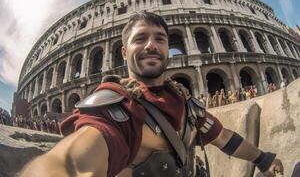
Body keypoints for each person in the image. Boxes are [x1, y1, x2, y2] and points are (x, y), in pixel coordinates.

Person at [20, 12, 283, 177]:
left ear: (169, 48)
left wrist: (262, 159)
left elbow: (224, 138)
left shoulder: (187, 103)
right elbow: (74, 158)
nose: (151, 46)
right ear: (124, 52)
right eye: (140, 39)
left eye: (160, 39)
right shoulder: (115, 105)